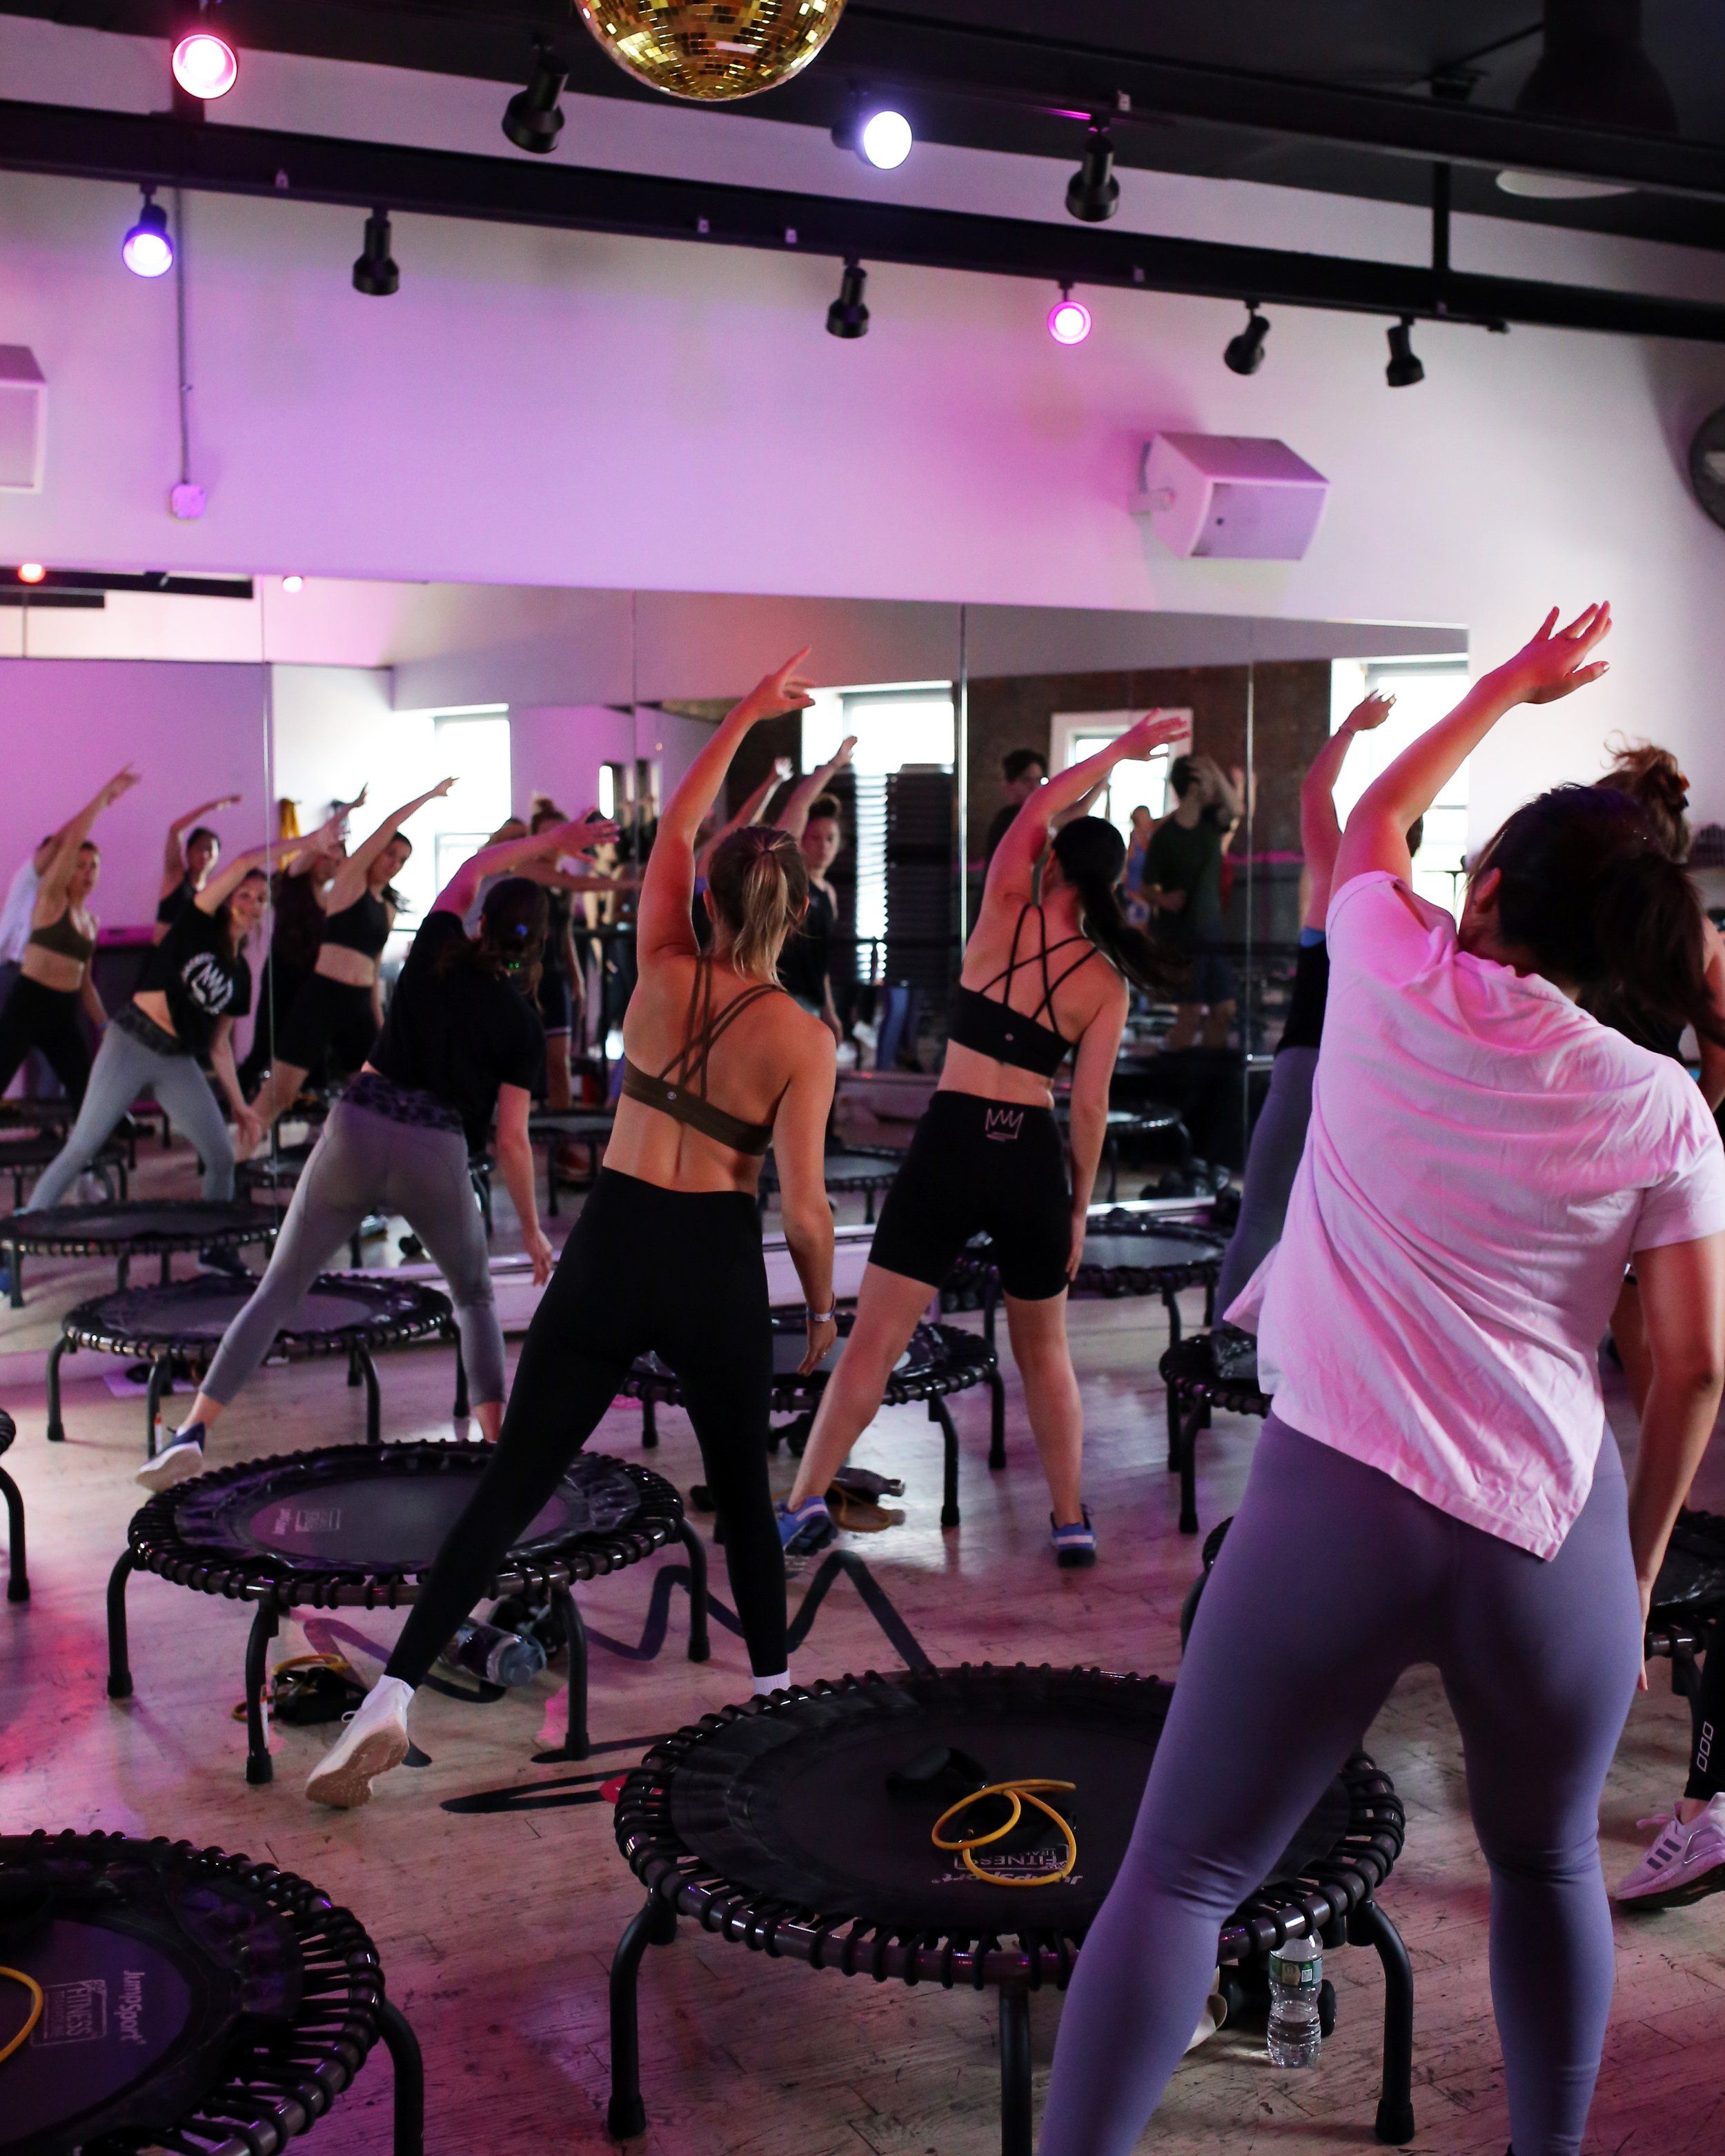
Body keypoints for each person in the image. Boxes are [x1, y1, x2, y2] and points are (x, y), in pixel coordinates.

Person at [1038, 604, 1725, 2156]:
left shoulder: (1385, 958)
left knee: (1182, 1875)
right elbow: (1688, 1369)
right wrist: (1626, 1568)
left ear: (1479, 892)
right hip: (1540, 1536)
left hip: (1326, 1508)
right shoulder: (1660, 1104)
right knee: (1546, 1868)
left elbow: (1365, 819)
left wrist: (1499, 686)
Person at [304, 652, 838, 1810]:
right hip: (710, 1262)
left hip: (611, 1248)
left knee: (512, 1484)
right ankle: (773, 1699)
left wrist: (746, 705)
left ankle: (388, 1696)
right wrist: (827, 1307)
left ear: (707, 897)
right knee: (744, 1489)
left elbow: (685, 821)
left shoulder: (657, 962)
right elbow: (802, 1209)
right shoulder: (800, 1037)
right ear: (791, 915)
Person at [778, 713, 1188, 1570]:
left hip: (953, 1140)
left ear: (1050, 863)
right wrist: (1077, 1210)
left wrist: (1112, 755)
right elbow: (1087, 1110)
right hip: (1028, 1154)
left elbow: (1040, 800)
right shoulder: (1104, 983)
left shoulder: (1003, 909)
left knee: (875, 1340)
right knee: (1045, 1349)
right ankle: (1070, 1518)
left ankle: (803, 1499)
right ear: (1112, 883)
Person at [135, 822, 583, 1494]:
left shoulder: (436, 946)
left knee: (279, 1286)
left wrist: (561, 832)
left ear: (480, 920)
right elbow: (512, 1140)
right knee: (474, 1297)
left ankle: (193, 1428)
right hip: (436, 1150)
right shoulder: (522, 1021)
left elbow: (477, 861)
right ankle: (499, 1453)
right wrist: (530, 1225)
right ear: (541, 944)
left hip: (359, 1123)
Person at [1210, 693, 1396, 1316]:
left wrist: (1349, 727)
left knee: (1263, 1210)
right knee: (1350, 1229)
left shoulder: (1339, 876)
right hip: (1372, 1078)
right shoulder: (1424, 916)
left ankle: (1231, 1347)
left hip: (1308, 1063)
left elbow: (1315, 790)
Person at [20, 838, 294, 1214]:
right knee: (83, 1146)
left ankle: (212, 1253)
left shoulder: (242, 976)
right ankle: (14, 1249)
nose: (251, 904)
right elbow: (246, 857)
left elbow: (220, 1046)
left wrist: (239, 1104)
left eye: (261, 899)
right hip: (132, 1042)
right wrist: (313, 840)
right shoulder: (196, 925)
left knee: (221, 1157)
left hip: (177, 1061)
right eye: (244, 894)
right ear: (229, 897)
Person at [249, 780, 453, 1140]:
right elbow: (388, 824)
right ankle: (234, 1164)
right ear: (374, 853)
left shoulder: (387, 908)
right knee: (278, 1095)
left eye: (403, 861)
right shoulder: (348, 883)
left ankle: (363, 1172)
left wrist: (380, 1026)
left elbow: (373, 974)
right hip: (323, 997)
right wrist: (429, 796)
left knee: (376, 1099)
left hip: (359, 1008)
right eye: (390, 854)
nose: (394, 864)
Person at [0, 767, 140, 1108]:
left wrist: (105, 1025)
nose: (87, 873)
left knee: (85, 1090)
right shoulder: (48, 898)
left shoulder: (91, 922)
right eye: (80, 865)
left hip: (63, 1012)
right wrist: (102, 800)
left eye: (94, 866)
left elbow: (86, 984)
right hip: (29, 1000)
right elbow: (73, 838)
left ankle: (86, 1155)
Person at [1144, 751, 1242, 1049]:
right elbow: (1146, 886)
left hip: (1212, 933)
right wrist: (1163, 898)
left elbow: (1236, 808)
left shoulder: (1212, 824)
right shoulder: (1166, 837)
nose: (1215, 786)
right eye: (1210, 781)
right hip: (1181, 936)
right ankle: (1170, 1077)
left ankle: (1210, 1076)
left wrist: (1212, 766)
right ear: (1195, 785)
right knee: (1188, 1015)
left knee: (1223, 1010)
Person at [778, 792, 846, 1044]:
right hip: (786, 998)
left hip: (813, 1004)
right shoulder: (792, 884)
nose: (823, 846)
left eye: (831, 839)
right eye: (815, 838)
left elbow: (822, 961)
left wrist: (830, 1011)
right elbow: (797, 804)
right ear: (802, 840)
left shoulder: (830, 894)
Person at [152, 795, 240, 942]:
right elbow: (175, 830)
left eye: (210, 850)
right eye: (199, 848)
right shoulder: (176, 878)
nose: (204, 854)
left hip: (192, 963)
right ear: (188, 852)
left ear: (217, 857)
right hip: (163, 962)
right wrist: (209, 807)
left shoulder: (212, 893)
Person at [981, 747, 1047, 870]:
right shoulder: (1011, 817)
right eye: (1026, 780)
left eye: (1039, 780)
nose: (1035, 787)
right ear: (1009, 784)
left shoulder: (1019, 815)